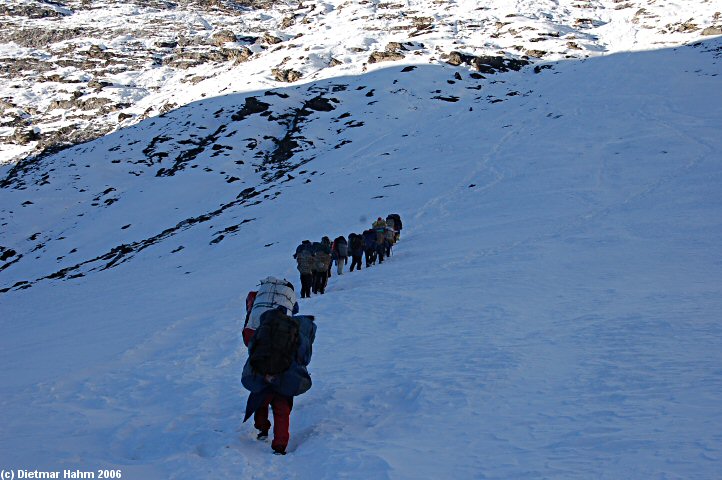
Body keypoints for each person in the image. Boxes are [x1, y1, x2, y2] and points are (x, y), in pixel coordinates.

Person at [242, 312, 317, 455]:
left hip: (262, 374)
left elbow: (251, 349)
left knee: (260, 402)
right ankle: (279, 446)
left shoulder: (263, 330)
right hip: (284, 376)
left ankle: (262, 429)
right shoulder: (296, 332)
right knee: (281, 411)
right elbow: (304, 357)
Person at [243, 277, 298, 346]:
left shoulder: (264, 289)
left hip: (254, 326)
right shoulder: (287, 291)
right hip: (276, 327)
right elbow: (295, 309)